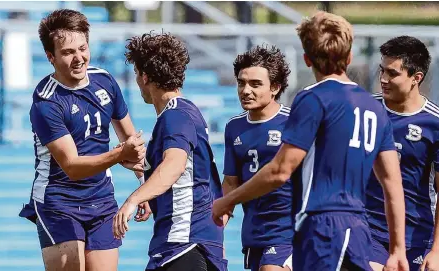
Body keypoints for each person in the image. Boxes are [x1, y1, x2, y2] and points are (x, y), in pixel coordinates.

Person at [212, 11, 409, 271]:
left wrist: (227, 200)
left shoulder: (312, 98)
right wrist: (397, 250)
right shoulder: (374, 107)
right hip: (359, 228)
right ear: (349, 58)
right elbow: (393, 185)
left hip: (320, 226)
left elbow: (280, 171)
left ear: (306, 59)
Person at [18, 9, 146, 271]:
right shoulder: (47, 101)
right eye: (68, 52)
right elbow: (73, 167)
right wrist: (120, 155)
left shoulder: (105, 81)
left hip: (101, 200)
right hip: (58, 203)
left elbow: (131, 140)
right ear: (50, 57)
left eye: (82, 48)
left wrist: (143, 185)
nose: (79, 58)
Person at [112, 32, 227, 271]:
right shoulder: (184, 112)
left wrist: (135, 198)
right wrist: (143, 176)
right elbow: (185, 175)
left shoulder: (175, 116)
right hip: (191, 244)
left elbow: (174, 165)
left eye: (136, 74)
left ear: (144, 76)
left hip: (183, 244)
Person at [366, 35, 439, 271]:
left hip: (416, 236)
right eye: (382, 71)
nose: (383, 79)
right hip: (368, 230)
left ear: (416, 78)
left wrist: (437, 251)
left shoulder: (434, 123)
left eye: (393, 73)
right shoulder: (366, 112)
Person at [222, 45, 293, 271]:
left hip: (289, 229)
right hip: (254, 231)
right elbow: (231, 182)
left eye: (255, 84)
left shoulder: (294, 123)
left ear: (275, 87)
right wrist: (218, 223)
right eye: (241, 83)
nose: (245, 90)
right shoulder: (234, 127)